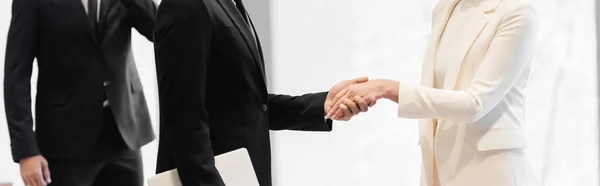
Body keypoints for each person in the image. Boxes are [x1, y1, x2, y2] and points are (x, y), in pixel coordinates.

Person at [153, 0, 375, 185]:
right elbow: (184, 122)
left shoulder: (228, 4)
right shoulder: (185, 5)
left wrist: (322, 105)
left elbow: (246, 103)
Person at [327, 0, 540, 185]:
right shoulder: (445, 9)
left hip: (491, 171)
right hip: (440, 166)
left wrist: (387, 88)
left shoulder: (517, 13)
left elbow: (475, 104)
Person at [4, 0, 156, 185]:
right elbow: (16, 76)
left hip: (124, 134)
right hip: (64, 142)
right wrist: (26, 151)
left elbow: (159, 30)